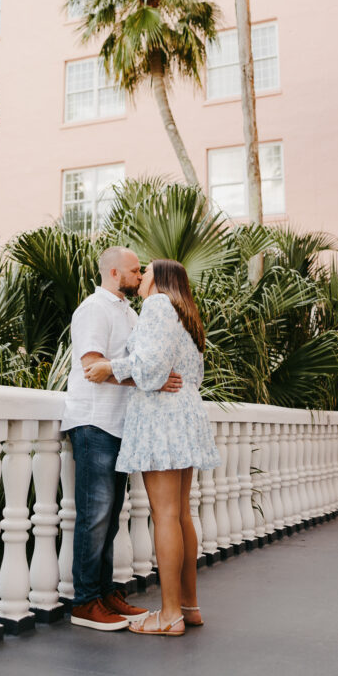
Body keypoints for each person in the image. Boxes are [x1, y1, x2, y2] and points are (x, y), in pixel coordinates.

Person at [85, 258, 220, 637]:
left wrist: (109, 367)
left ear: (160, 280)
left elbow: (152, 367)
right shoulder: (187, 315)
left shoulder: (158, 305)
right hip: (186, 414)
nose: (140, 278)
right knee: (180, 516)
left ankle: (170, 614)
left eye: (146, 273)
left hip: (163, 416)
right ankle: (189, 608)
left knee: (164, 516)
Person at [61, 246, 183, 632]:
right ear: (114, 273)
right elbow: (92, 366)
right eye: (135, 270)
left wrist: (152, 375)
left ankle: (104, 592)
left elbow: (139, 362)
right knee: (95, 515)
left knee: (112, 516)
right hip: (94, 422)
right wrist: (151, 380)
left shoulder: (131, 312)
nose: (141, 273)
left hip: (121, 425)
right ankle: (85, 603)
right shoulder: (93, 310)